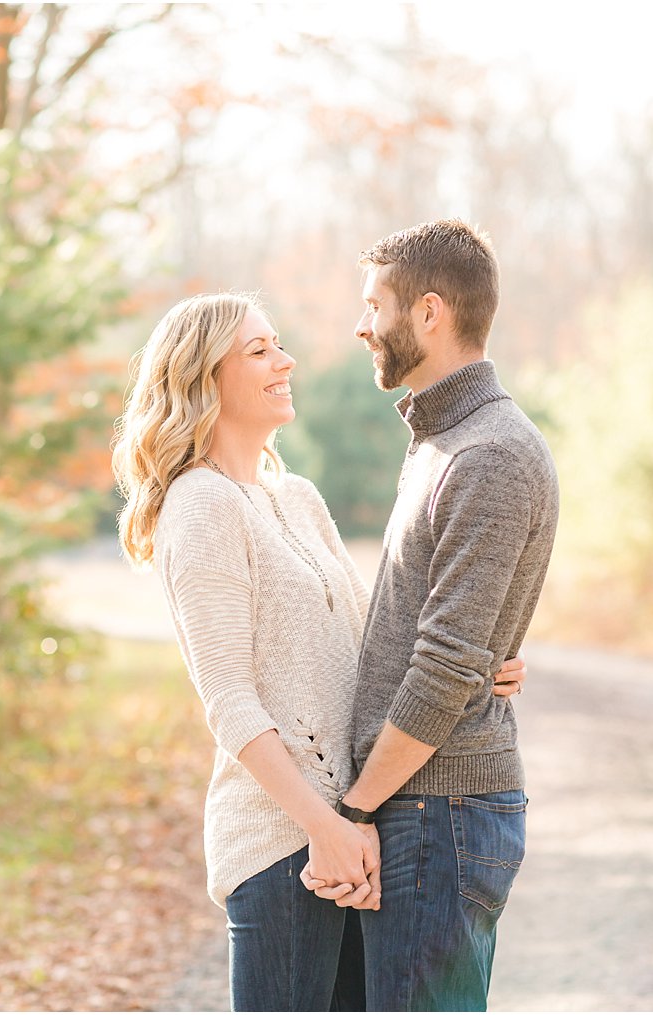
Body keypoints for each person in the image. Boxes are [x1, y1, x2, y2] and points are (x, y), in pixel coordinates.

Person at [110, 292, 528, 1011]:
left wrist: (480, 663)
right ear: (204, 376)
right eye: (260, 350)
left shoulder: (297, 498)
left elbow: (373, 648)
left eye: (278, 343)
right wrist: (322, 825)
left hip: (353, 839)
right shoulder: (199, 506)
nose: (286, 360)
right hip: (282, 847)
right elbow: (230, 703)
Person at [300, 220, 560, 1011]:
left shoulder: (489, 453)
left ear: (430, 313)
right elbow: (453, 635)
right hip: (422, 808)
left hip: (437, 815)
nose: (359, 323)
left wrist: (355, 808)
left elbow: (446, 665)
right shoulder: (443, 442)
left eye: (373, 303)